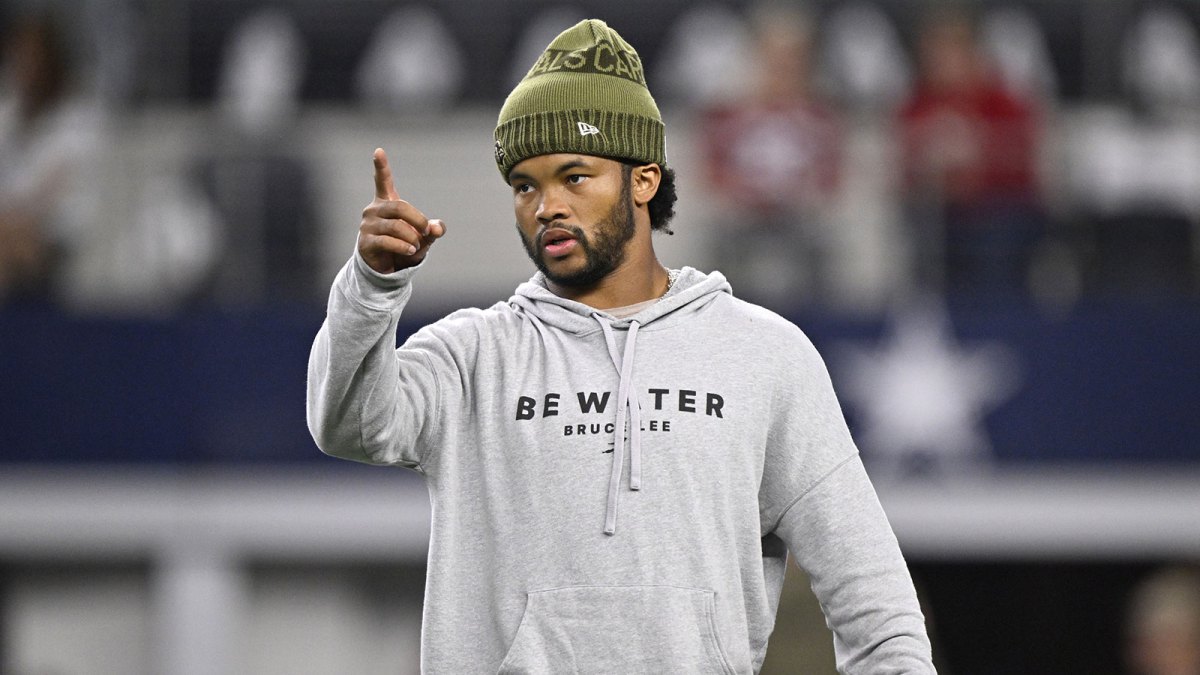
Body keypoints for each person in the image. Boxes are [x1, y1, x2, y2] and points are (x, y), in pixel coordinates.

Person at [308, 19, 935, 673]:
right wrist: (371, 286)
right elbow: (347, 424)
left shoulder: (767, 357)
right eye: (526, 185)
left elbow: (879, 615)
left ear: (643, 181)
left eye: (573, 176)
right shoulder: (474, 355)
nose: (546, 205)